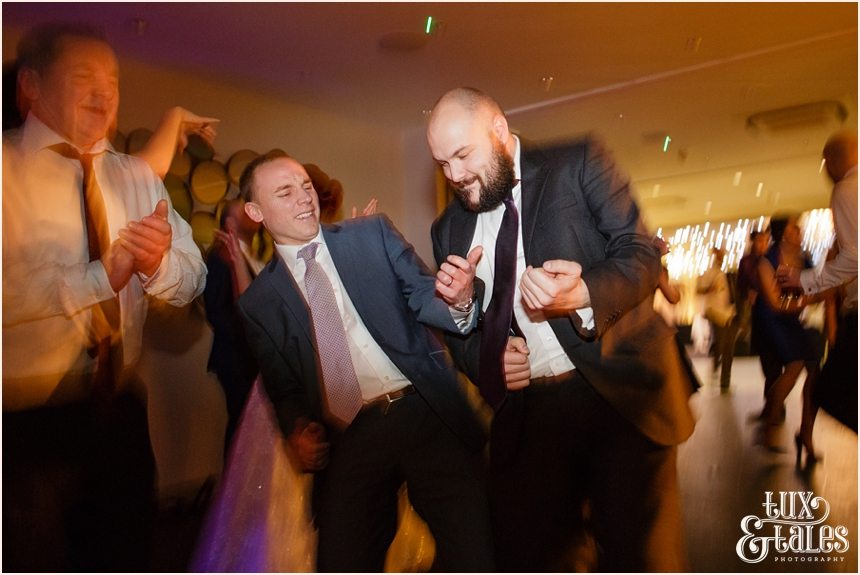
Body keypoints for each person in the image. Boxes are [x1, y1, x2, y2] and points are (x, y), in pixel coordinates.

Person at [427, 87, 695, 572]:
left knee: (643, 559)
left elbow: (640, 253)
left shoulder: (578, 162)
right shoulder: (446, 229)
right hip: (530, 418)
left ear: (500, 131)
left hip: (617, 397)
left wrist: (585, 294)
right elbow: (459, 333)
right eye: (442, 163)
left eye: (463, 155)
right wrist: (475, 332)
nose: (455, 176)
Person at [2, 22, 207, 571]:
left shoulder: (137, 177)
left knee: (124, 555)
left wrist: (158, 262)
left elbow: (193, 279)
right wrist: (102, 274)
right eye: (83, 77)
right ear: (32, 86)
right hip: (23, 426)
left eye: (112, 79)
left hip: (120, 411)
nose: (104, 92)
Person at [235, 153, 494, 572]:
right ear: (255, 211)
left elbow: (424, 295)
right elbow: (282, 387)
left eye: (305, 186)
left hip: (424, 411)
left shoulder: (370, 235)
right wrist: (297, 428)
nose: (305, 199)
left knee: (475, 550)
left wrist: (460, 300)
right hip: (349, 436)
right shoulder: (257, 304)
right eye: (286, 192)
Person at [778, 130, 857, 434]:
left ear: (832, 161)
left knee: (829, 392)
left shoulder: (846, 189)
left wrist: (803, 278)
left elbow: (854, 258)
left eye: (824, 162)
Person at [752, 214, 823, 457]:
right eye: (795, 226)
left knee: (814, 370)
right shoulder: (767, 261)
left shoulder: (804, 258)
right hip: (771, 320)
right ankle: (770, 425)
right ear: (784, 233)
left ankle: (806, 432)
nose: (800, 230)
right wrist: (805, 301)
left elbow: (817, 286)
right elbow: (772, 303)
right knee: (794, 366)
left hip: (793, 318)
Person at [203, 199, 265, 453]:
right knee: (242, 424)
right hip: (237, 358)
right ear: (230, 223)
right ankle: (234, 489)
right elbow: (217, 313)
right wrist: (252, 338)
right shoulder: (221, 259)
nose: (251, 212)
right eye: (243, 210)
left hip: (254, 358)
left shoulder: (253, 256)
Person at [696, 247, 739, 389]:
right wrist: (710, 289)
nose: (721, 257)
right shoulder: (709, 273)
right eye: (719, 254)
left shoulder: (726, 272)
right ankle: (720, 373)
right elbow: (698, 289)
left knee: (728, 347)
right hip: (716, 313)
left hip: (730, 313)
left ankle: (725, 379)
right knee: (722, 343)